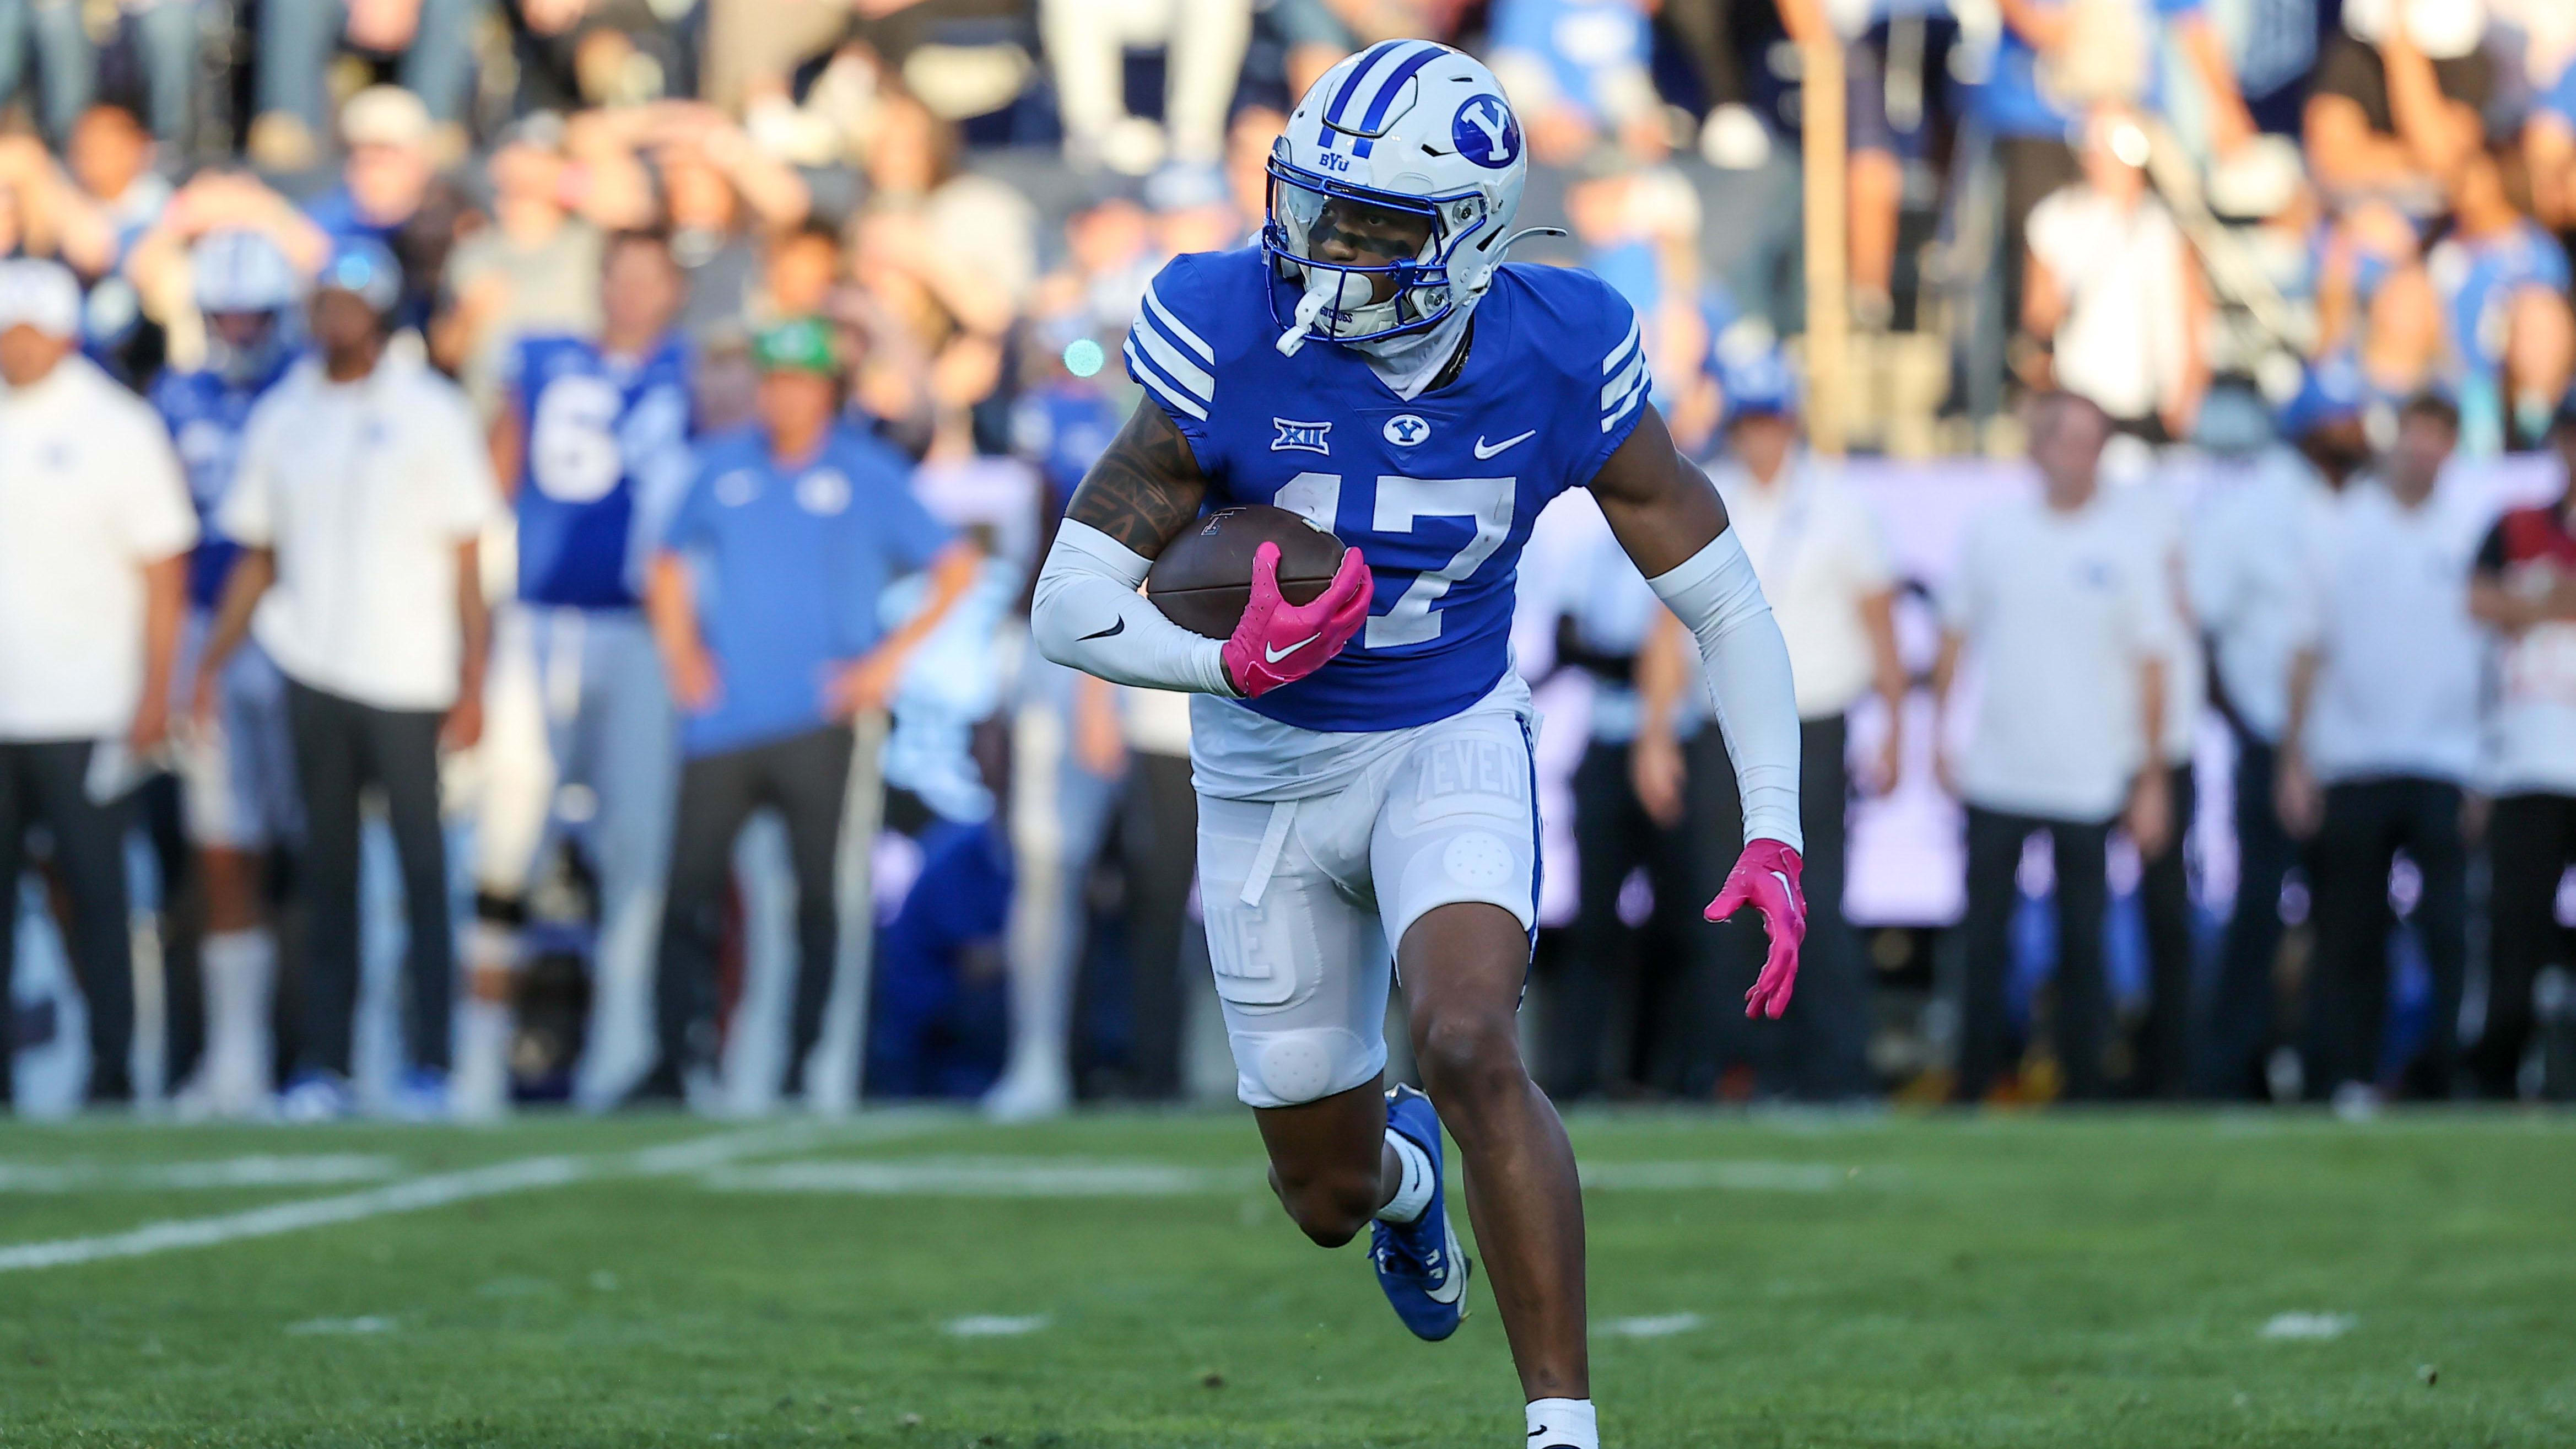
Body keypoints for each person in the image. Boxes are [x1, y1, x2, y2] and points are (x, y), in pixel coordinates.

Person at [1026, 45, 1807, 1449]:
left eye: (1371, 227)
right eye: (1314, 207)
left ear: (1467, 235)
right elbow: (1066, 605)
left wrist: (1771, 827)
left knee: (1463, 1033)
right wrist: (1219, 659)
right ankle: (1400, 1184)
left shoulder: (1558, 351)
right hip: (1259, 765)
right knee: (1321, 1195)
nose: (1322, 251)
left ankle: (1560, 1426)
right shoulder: (1225, 324)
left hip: (1442, 732)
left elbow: (1724, 604)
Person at [197, 239, 501, 1122]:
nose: (334, 319)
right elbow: (258, 551)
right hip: (312, 667)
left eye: (349, 305)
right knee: (324, 875)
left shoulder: (432, 410)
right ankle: (322, 1063)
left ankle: (432, 1063)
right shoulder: (284, 414)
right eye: (324, 303)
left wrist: (473, 675)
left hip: (409, 673)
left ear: (381, 313)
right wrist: (212, 661)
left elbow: (466, 549)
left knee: (419, 868)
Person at [641, 317, 978, 1108]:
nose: (782, 395)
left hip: (818, 719)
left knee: (817, 899)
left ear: (828, 390)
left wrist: (881, 665)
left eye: (798, 381)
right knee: (686, 891)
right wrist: (683, 658)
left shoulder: (867, 474)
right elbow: (664, 562)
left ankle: (803, 1064)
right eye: (773, 379)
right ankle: (670, 1058)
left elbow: (956, 567)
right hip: (722, 721)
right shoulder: (719, 465)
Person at [469, 228, 695, 1116]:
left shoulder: (699, 369)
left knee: (636, 846)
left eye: (650, 277)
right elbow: (487, 480)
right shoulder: (539, 358)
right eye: (619, 276)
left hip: (643, 630)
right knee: (504, 839)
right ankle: (479, 1057)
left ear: (674, 289)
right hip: (538, 618)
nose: (631, 294)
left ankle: (621, 1049)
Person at [1640, 350, 1906, 1100]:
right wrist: (1654, 733)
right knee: (1718, 898)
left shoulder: (1839, 506)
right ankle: (1728, 1066)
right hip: (1718, 726)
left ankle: (1828, 1067)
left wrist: (1895, 725)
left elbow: (1880, 623)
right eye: (1748, 425)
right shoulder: (1705, 494)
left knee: (1815, 893)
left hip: (1813, 724)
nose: (1759, 440)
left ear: (1791, 424)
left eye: (1770, 423)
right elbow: (1663, 631)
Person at [1932, 391, 2172, 1103]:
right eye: (2066, 440)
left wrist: (2150, 776)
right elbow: (1953, 638)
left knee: (2084, 944)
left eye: (2091, 442)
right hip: (1998, 771)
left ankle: (2083, 1088)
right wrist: (1936, 734)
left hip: (2088, 775)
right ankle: (1972, 1079)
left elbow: (2151, 666)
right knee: (1981, 940)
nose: (2078, 457)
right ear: (2036, 447)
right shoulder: (1991, 532)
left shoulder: (2128, 545)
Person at [0, 258, 193, 1111]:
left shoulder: (117, 425)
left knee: (98, 895)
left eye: (31, 328)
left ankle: (114, 1069)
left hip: (86, 704)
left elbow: (162, 567)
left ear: (66, 333)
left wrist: (156, 691)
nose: (18, 345)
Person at [2276, 394, 2481, 1109]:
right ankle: (2341, 1076)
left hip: (2446, 761)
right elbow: (2303, 651)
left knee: (2447, 935)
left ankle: (2444, 1078)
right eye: (2415, 435)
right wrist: (2293, 758)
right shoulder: (2336, 526)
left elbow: (2485, 661)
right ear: (2394, 441)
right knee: (2347, 932)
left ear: (2450, 450)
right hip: (2351, 759)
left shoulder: (2466, 533)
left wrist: (2484, 768)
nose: (2423, 451)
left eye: (2438, 439)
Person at [153, 230, 310, 1119]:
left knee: (315, 841)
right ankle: (236, 1054)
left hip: (299, 627)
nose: (240, 328)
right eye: (226, 312)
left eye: (255, 312)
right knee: (221, 844)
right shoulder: (177, 396)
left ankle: (331, 1042)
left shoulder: (305, 396)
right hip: (206, 627)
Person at [2187, 359, 2365, 1100]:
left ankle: (2331, 1066)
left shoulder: (2367, 506)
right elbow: (2201, 620)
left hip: (2355, 744)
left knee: (2346, 912)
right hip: (2269, 737)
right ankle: (2232, 1067)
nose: (2357, 434)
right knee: (2258, 906)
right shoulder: (2250, 509)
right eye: (2343, 421)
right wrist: (2242, 725)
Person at [2465, 401, 2576, 1097]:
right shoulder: (2513, 524)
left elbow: (2504, 605)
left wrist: (2532, 603)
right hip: (2527, 762)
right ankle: (2495, 1077)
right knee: (2515, 933)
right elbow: (2477, 602)